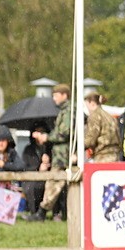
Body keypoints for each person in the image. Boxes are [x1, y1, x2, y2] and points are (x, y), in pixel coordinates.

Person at [33, 84, 72, 222]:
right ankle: (42, 213)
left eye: (56, 95)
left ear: (64, 95)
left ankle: (41, 213)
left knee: (55, 183)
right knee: (56, 184)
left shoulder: (67, 111)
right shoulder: (66, 110)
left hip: (63, 155)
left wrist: (46, 137)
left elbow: (64, 133)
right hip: (63, 154)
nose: (54, 98)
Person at [21, 123, 50, 219]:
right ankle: (34, 213)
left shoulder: (50, 148)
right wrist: (38, 168)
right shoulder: (28, 150)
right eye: (38, 131)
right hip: (32, 178)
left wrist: (48, 164)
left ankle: (56, 214)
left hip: (48, 177)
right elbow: (25, 166)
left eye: (42, 131)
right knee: (31, 188)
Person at [83, 92, 120, 163]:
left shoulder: (94, 116)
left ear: (92, 103)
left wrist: (79, 147)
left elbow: (91, 138)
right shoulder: (109, 116)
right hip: (114, 154)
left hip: (102, 155)